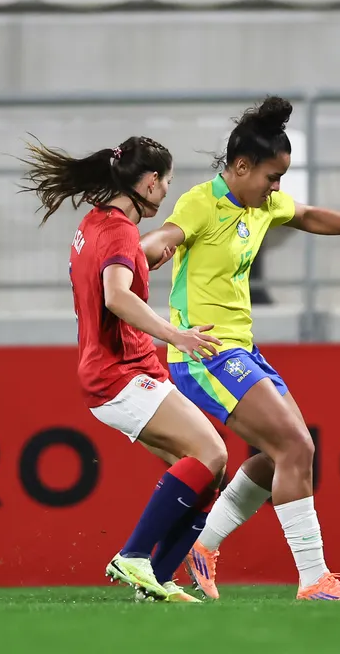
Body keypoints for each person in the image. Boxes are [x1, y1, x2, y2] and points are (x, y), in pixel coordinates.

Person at [141, 97, 340, 601]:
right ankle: (314, 579)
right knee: (298, 448)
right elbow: (165, 235)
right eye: (272, 177)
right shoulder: (202, 202)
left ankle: (202, 546)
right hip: (205, 353)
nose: (277, 189)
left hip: (243, 351)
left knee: (279, 459)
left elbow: (310, 216)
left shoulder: (263, 204)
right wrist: (139, 253)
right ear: (242, 166)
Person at [20, 135, 228, 603]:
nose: (167, 192)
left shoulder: (95, 223)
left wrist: (142, 262)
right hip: (120, 373)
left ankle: (157, 579)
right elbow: (115, 296)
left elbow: (108, 283)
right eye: (167, 182)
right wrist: (175, 335)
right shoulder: (119, 232)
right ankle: (135, 556)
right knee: (213, 453)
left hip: (113, 371)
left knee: (201, 471)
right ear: (150, 182)